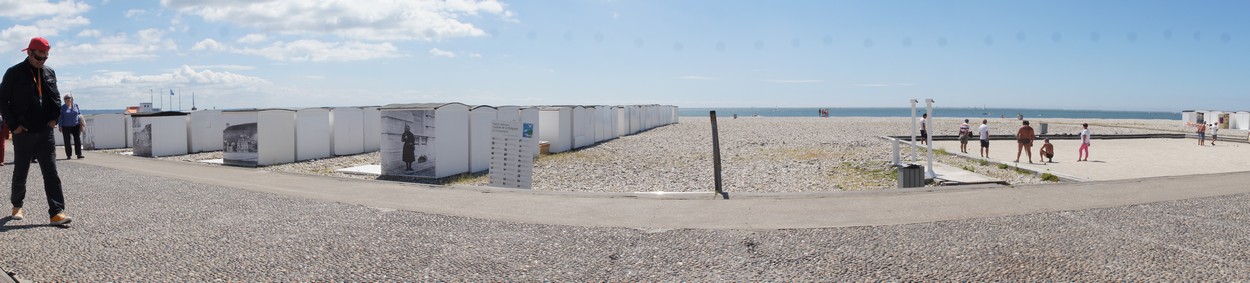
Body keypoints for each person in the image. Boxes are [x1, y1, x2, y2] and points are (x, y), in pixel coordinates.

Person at [0, 37, 72, 226]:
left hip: (44, 131)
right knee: (21, 171)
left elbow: (55, 97)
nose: (42, 62)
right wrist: (14, 125)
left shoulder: (49, 72)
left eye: (45, 59)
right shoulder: (13, 73)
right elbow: (2, 101)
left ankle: (57, 212)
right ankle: (17, 205)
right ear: (29, 53)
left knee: (51, 172)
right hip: (22, 132)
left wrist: (54, 119)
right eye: (39, 58)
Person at [59, 94, 84, 159]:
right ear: (64, 100)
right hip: (66, 126)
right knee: (67, 141)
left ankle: (79, 154)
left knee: (77, 139)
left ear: (71, 99)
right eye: (66, 99)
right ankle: (69, 155)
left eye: (69, 99)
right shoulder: (62, 108)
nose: (68, 100)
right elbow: (60, 118)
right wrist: (60, 126)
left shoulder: (76, 106)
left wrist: (81, 123)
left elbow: (79, 114)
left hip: (75, 125)